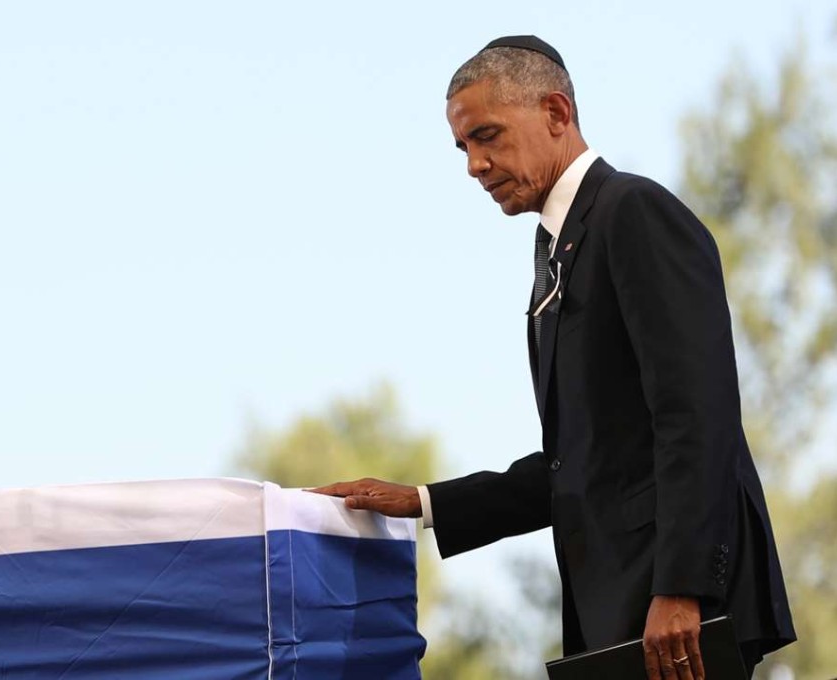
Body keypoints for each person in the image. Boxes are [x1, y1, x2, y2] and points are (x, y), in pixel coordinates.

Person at [312, 35, 796, 680]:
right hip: (616, 605)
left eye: (487, 136)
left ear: (556, 114)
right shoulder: (559, 248)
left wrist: (684, 587)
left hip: (674, 607)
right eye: (463, 147)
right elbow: (583, 462)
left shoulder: (634, 212)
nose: (475, 166)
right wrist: (426, 503)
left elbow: (697, 413)